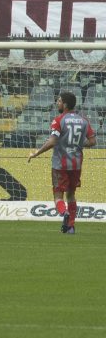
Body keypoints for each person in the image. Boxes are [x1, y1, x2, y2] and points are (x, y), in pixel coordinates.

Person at [28, 92, 98, 234]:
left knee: (58, 195)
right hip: (76, 164)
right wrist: (77, 143)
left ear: (65, 104)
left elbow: (53, 141)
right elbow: (92, 141)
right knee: (71, 194)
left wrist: (37, 153)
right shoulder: (84, 120)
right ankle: (71, 226)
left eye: (59, 101)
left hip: (60, 164)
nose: (57, 103)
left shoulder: (59, 120)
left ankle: (64, 213)